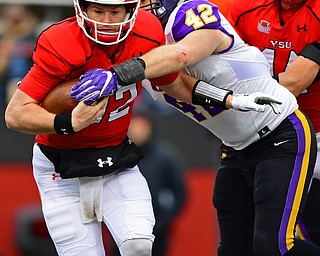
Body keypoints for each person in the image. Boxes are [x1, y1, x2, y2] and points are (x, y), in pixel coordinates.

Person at [4, 0, 276, 255]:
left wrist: (230, 98)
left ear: (131, 10)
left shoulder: (146, 32)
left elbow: (177, 85)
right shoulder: (61, 41)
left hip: (115, 158)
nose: (106, 21)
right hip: (60, 167)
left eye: (115, 12)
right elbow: (15, 114)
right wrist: (67, 122)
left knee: (138, 245)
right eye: (98, 11)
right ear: (82, 9)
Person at [69, 0, 320, 255]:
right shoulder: (134, 48)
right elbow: (185, 88)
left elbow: (182, 55)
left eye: (143, 2)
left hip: (279, 132)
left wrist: (120, 73)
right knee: (233, 249)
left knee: (274, 246)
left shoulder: (189, 14)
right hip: (235, 147)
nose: (134, 9)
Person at [229, 0, 320, 247]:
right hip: (262, 132)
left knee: (297, 233)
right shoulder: (245, 8)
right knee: (244, 239)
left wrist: (237, 95)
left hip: (313, 130)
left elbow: (293, 83)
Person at [111, 109, 186, 256]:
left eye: (141, 126)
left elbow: (179, 193)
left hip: (157, 230)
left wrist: (163, 222)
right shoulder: (117, 156)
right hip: (121, 227)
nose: (138, 131)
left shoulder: (166, 157)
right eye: (133, 126)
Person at [0, 4, 38, 107]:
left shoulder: (32, 36)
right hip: (4, 77)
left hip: (23, 78)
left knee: (17, 67)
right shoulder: (4, 36)